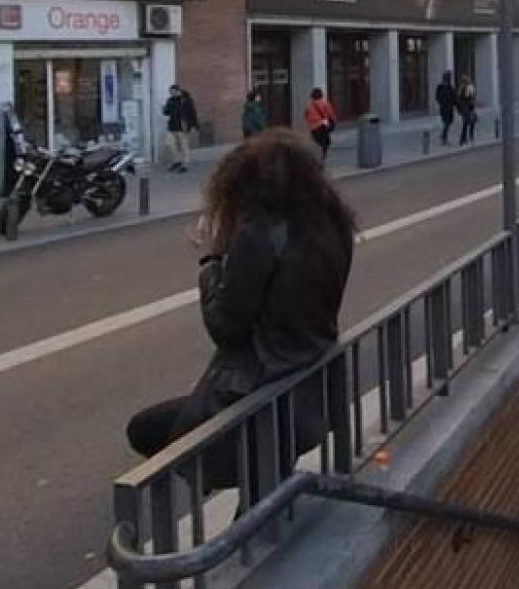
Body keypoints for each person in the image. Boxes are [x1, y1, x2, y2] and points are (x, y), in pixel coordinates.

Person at [125, 131, 357, 486]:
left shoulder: (258, 233)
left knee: (145, 430)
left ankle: (195, 503)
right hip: (308, 393)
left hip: (259, 396)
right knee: (259, 501)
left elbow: (225, 325)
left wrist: (212, 256)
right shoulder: (331, 225)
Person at [162, 85, 199, 173]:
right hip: (172, 126)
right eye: (170, 92)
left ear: (178, 91)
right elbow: (167, 113)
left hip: (182, 127)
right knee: (169, 144)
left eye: (172, 91)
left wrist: (195, 125)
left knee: (184, 146)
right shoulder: (170, 100)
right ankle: (177, 161)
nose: (171, 93)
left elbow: (192, 113)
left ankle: (185, 164)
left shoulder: (186, 100)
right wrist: (164, 110)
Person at [304, 88, 337, 162]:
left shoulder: (309, 105)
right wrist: (333, 122)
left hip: (313, 127)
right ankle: (323, 156)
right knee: (325, 141)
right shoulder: (325, 103)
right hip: (323, 125)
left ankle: (316, 156)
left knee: (316, 141)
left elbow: (306, 115)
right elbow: (331, 114)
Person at [435, 71, 457, 145]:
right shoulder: (441, 87)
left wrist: (455, 104)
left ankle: (444, 136)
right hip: (444, 108)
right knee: (447, 123)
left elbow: (454, 97)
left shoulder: (450, 87)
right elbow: (437, 97)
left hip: (449, 108)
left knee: (448, 122)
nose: (450, 79)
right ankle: (444, 138)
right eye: (449, 78)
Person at [456, 74, 478, 146]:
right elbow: (471, 98)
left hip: (464, 109)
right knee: (471, 124)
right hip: (468, 109)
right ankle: (470, 138)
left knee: (466, 124)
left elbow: (459, 99)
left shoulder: (461, 88)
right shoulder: (469, 87)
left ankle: (463, 140)